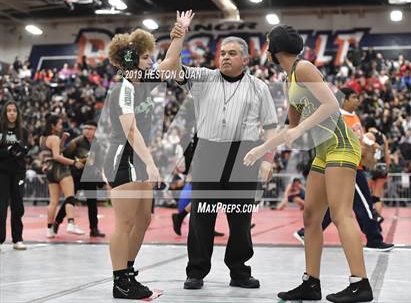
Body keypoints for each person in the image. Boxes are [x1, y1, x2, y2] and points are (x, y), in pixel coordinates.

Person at [244, 25, 373, 302]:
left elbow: (329, 104)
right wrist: (262, 149)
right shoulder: (291, 79)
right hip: (323, 151)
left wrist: (299, 130)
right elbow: (290, 128)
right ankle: (311, 282)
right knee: (311, 218)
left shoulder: (304, 68)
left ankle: (360, 283)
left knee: (341, 215)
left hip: (341, 144)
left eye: (267, 43)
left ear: (274, 48)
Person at [166, 30, 278, 289]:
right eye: (222, 53)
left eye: (232, 53)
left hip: (245, 154)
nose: (225, 57)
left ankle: (239, 272)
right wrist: (178, 38)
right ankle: (196, 271)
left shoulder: (260, 87)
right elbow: (171, 67)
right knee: (201, 216)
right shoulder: (204, 77)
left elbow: (271, 127)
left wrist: (267, 159)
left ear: (246, 60)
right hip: (208, 152)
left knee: (240, 218)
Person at [102, 10, 194, 299]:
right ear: (130, 63)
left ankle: (128, 273)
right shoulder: (124, 88)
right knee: (126, 222)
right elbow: (130, 132)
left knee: (143, 220)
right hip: (123, 158)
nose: (150, 62)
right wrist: (152, 163)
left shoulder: (144, 82)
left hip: (138, 158)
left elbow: (168, 63)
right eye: (144, 58)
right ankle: (120, 281)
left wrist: (179, 33)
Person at [293, 87, 394, 252]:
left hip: (353, 163)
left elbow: (359, 140)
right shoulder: (337, 116)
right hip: (347, 165)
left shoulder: (354, 117)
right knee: (364, 203)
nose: (358, 100)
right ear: (344, 100)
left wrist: (369, 144)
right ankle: (374, 239)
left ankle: (305, 232)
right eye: (354, 97)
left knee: (335, 207)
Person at [40, 115, 85, 238]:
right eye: (59, 124)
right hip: (60, 168)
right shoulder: (54, 137)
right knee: (70, 197)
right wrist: (74, 162)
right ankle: (71, 223)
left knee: (53, 201)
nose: (61, 126)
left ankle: (49, 229)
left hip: (49, 170)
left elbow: (53, 151)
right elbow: (57, 156)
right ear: (53, 126)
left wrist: (63, 139)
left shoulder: (43, 138)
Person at [63, 120, 106, 237]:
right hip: (76, 176)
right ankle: (56, 223)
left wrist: (99, 173)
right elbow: (65, 156)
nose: (87, 130)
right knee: (70, 200)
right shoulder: (76, 142)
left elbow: (99, 161)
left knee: (92, 204)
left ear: (95, 131)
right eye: (85, 128)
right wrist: (74, 163)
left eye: (90, 128)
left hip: (91, 177)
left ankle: (94, 229)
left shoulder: (97, 144)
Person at [0, 100, 28, 250]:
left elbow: (25, 150)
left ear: (17, 114)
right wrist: (8, 150)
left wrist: (21, 151)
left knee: (18, 207)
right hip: (2, 173)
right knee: (1, 207)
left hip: (18, 173)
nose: (11, 113)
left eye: (14, 111)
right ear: (5, 113)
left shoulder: (23, 131)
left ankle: (17, 239)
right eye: (9, 110)